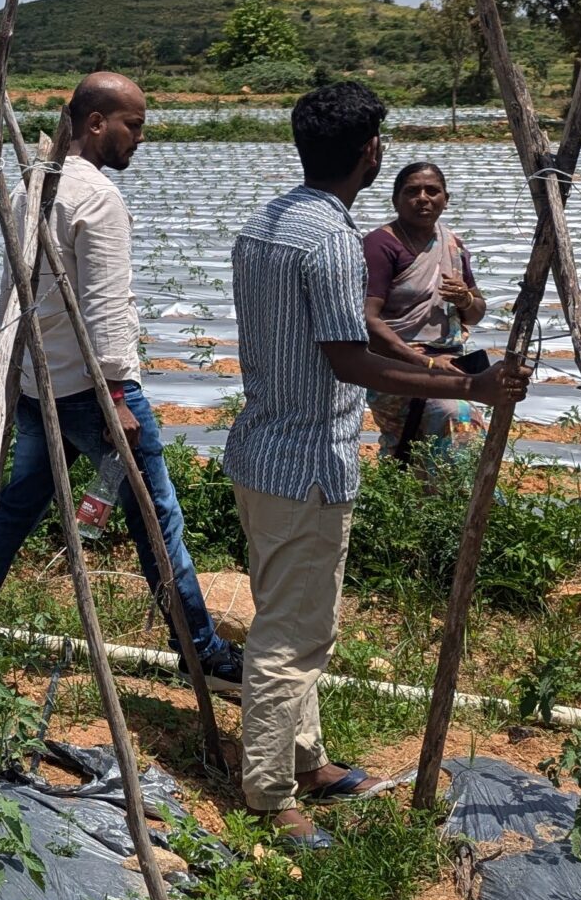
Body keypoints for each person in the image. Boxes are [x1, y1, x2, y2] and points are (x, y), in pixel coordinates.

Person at [225, 83, 528, 848]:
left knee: (290, 616)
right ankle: (267, 790)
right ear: (371, 154)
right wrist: (467, 384)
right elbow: (349, 359)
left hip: (262, 449)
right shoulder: (329, 238)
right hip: (305, 463)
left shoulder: (266, 224)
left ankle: (306, 760)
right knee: (291, 638)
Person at [0, 73, 245, 686]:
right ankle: (201, 649)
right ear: (96, 123)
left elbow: (18, 293)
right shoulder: (97, 199)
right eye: (134, 125)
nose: (139, 139)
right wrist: (116, 396)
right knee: (156, 515)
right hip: (94, 393)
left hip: (45, 386)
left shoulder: (34, 185)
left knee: (17, 505)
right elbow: (106, 309)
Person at [363, 161, 489, 466]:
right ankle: (454, 500)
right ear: (396, 200)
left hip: (449, 364)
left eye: (432, 191)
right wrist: (426, 362)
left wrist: (464, 298)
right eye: (412, 191)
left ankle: (446, 504)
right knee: (452, 418)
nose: (423, 197)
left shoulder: (452, 244)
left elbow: (475, 314)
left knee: (434, 440)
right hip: (397, 364)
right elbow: (368, 320)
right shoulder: (380, 245)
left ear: (446, 198)